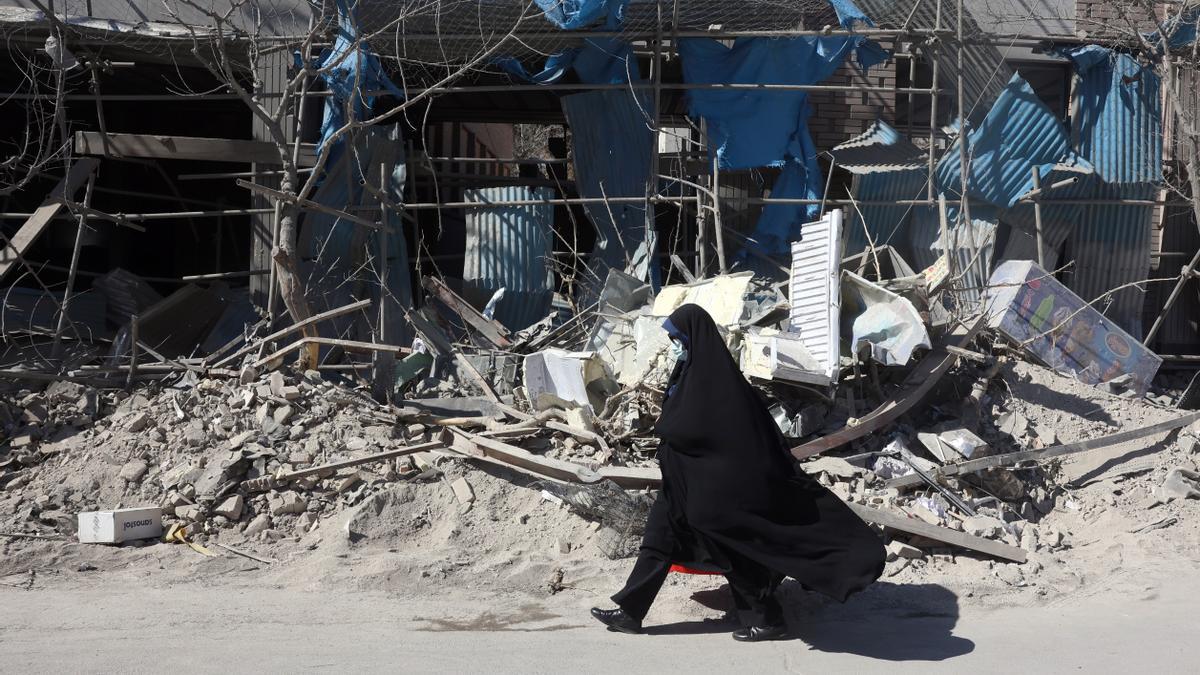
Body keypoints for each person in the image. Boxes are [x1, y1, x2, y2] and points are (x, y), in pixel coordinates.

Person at [590, 304, 885, 642]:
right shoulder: (687, 375)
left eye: (679, 340)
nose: (675, 347)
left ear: (694, 339)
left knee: (730, 552)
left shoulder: (721, 386)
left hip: (711, 493)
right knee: (657, 542)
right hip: (680, 486)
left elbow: (725, 440)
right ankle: (630, 612)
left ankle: (767, 618)